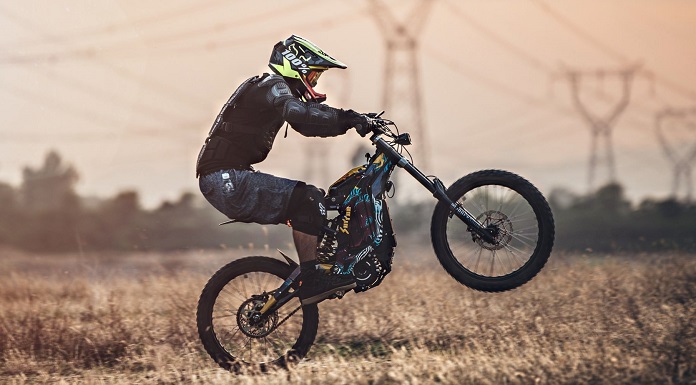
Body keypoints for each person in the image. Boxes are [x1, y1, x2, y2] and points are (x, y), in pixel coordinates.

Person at [196, 35, 371, 305]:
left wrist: (352, 121)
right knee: (308, 198)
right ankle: (313, 279)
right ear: (295, 67)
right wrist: (349, 117)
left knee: (317, 204)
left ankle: (317, 262)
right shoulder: (273, 85)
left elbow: (308, 124)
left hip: (226, 177)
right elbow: (300, 115)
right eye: (312, 76)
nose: (313, 84)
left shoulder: (272, 89)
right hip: (226, 179)